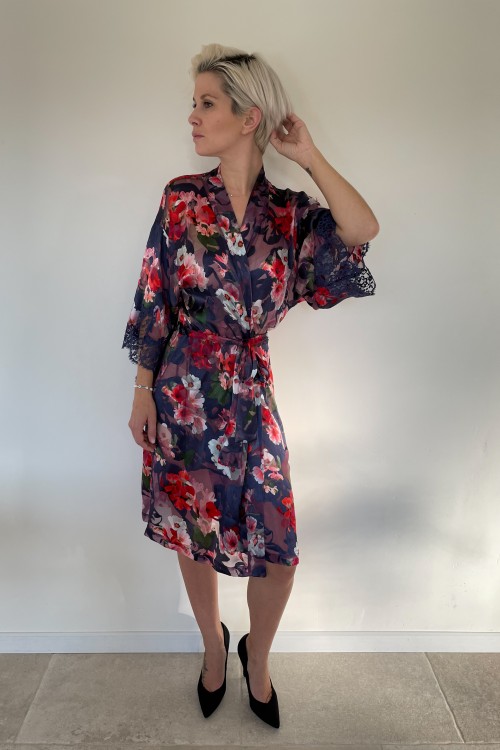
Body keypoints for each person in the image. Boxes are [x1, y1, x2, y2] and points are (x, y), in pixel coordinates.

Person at [122, 43, 379, 728]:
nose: (192, 116)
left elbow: (362, 229)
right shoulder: (181, 199)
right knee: (193, 532)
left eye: (207, 103)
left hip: (250, 393)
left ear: (248, 117)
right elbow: (154, 298)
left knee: (279, 550)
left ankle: (255, 659)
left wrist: (310, 156)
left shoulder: (290, 215)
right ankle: (213, 646)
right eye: (195, 102)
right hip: (181, 390)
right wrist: (143, 390)